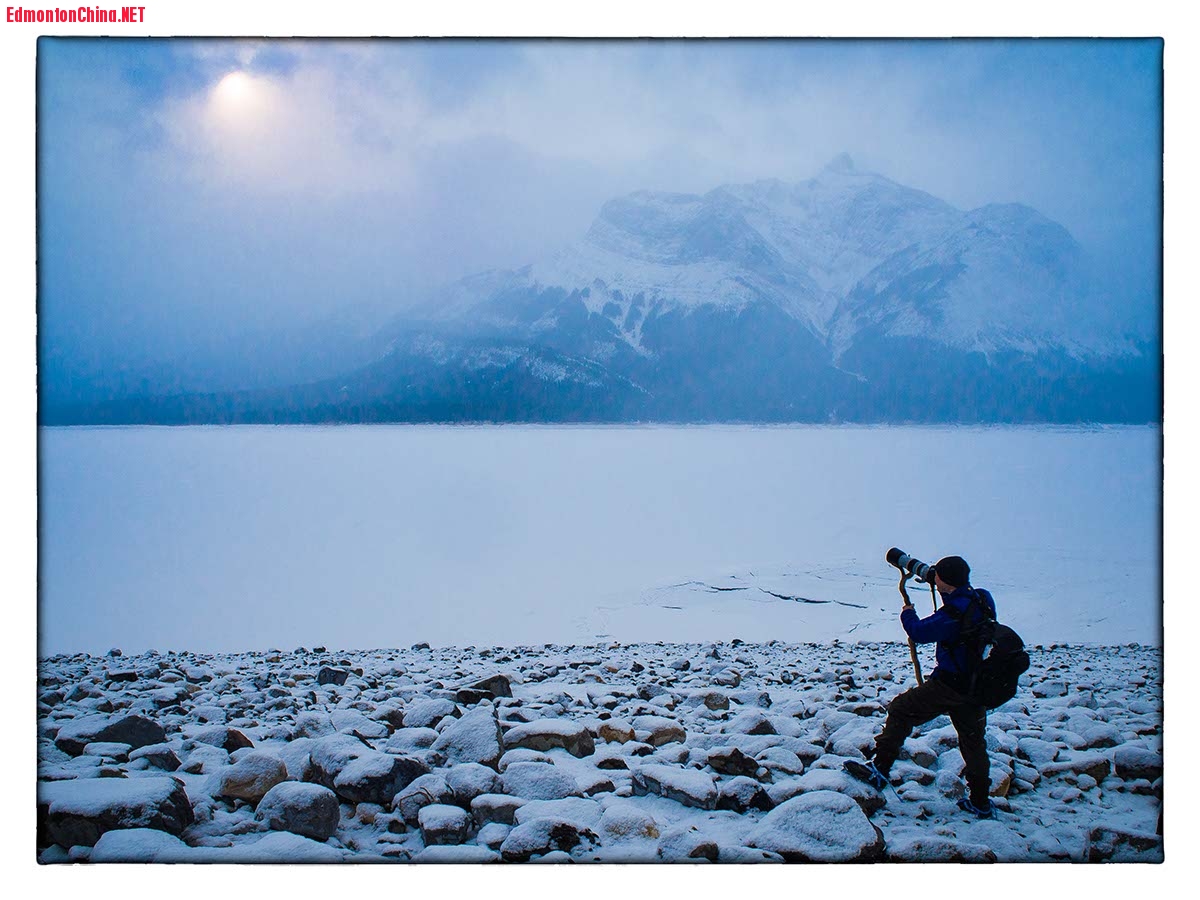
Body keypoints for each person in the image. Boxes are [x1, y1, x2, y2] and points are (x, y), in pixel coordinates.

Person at [844, 555, 998, 818]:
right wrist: (923, 571)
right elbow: (946, 583)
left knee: (901, 709)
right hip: (977, 686)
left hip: (950, 685)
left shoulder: (953, 613)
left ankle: (880, 769)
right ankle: (981, 801)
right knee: (973, 742)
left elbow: (919, 631)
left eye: (938, 576)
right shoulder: (982, 598)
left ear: (946, 581)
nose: (933, 577)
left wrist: (908, 613)